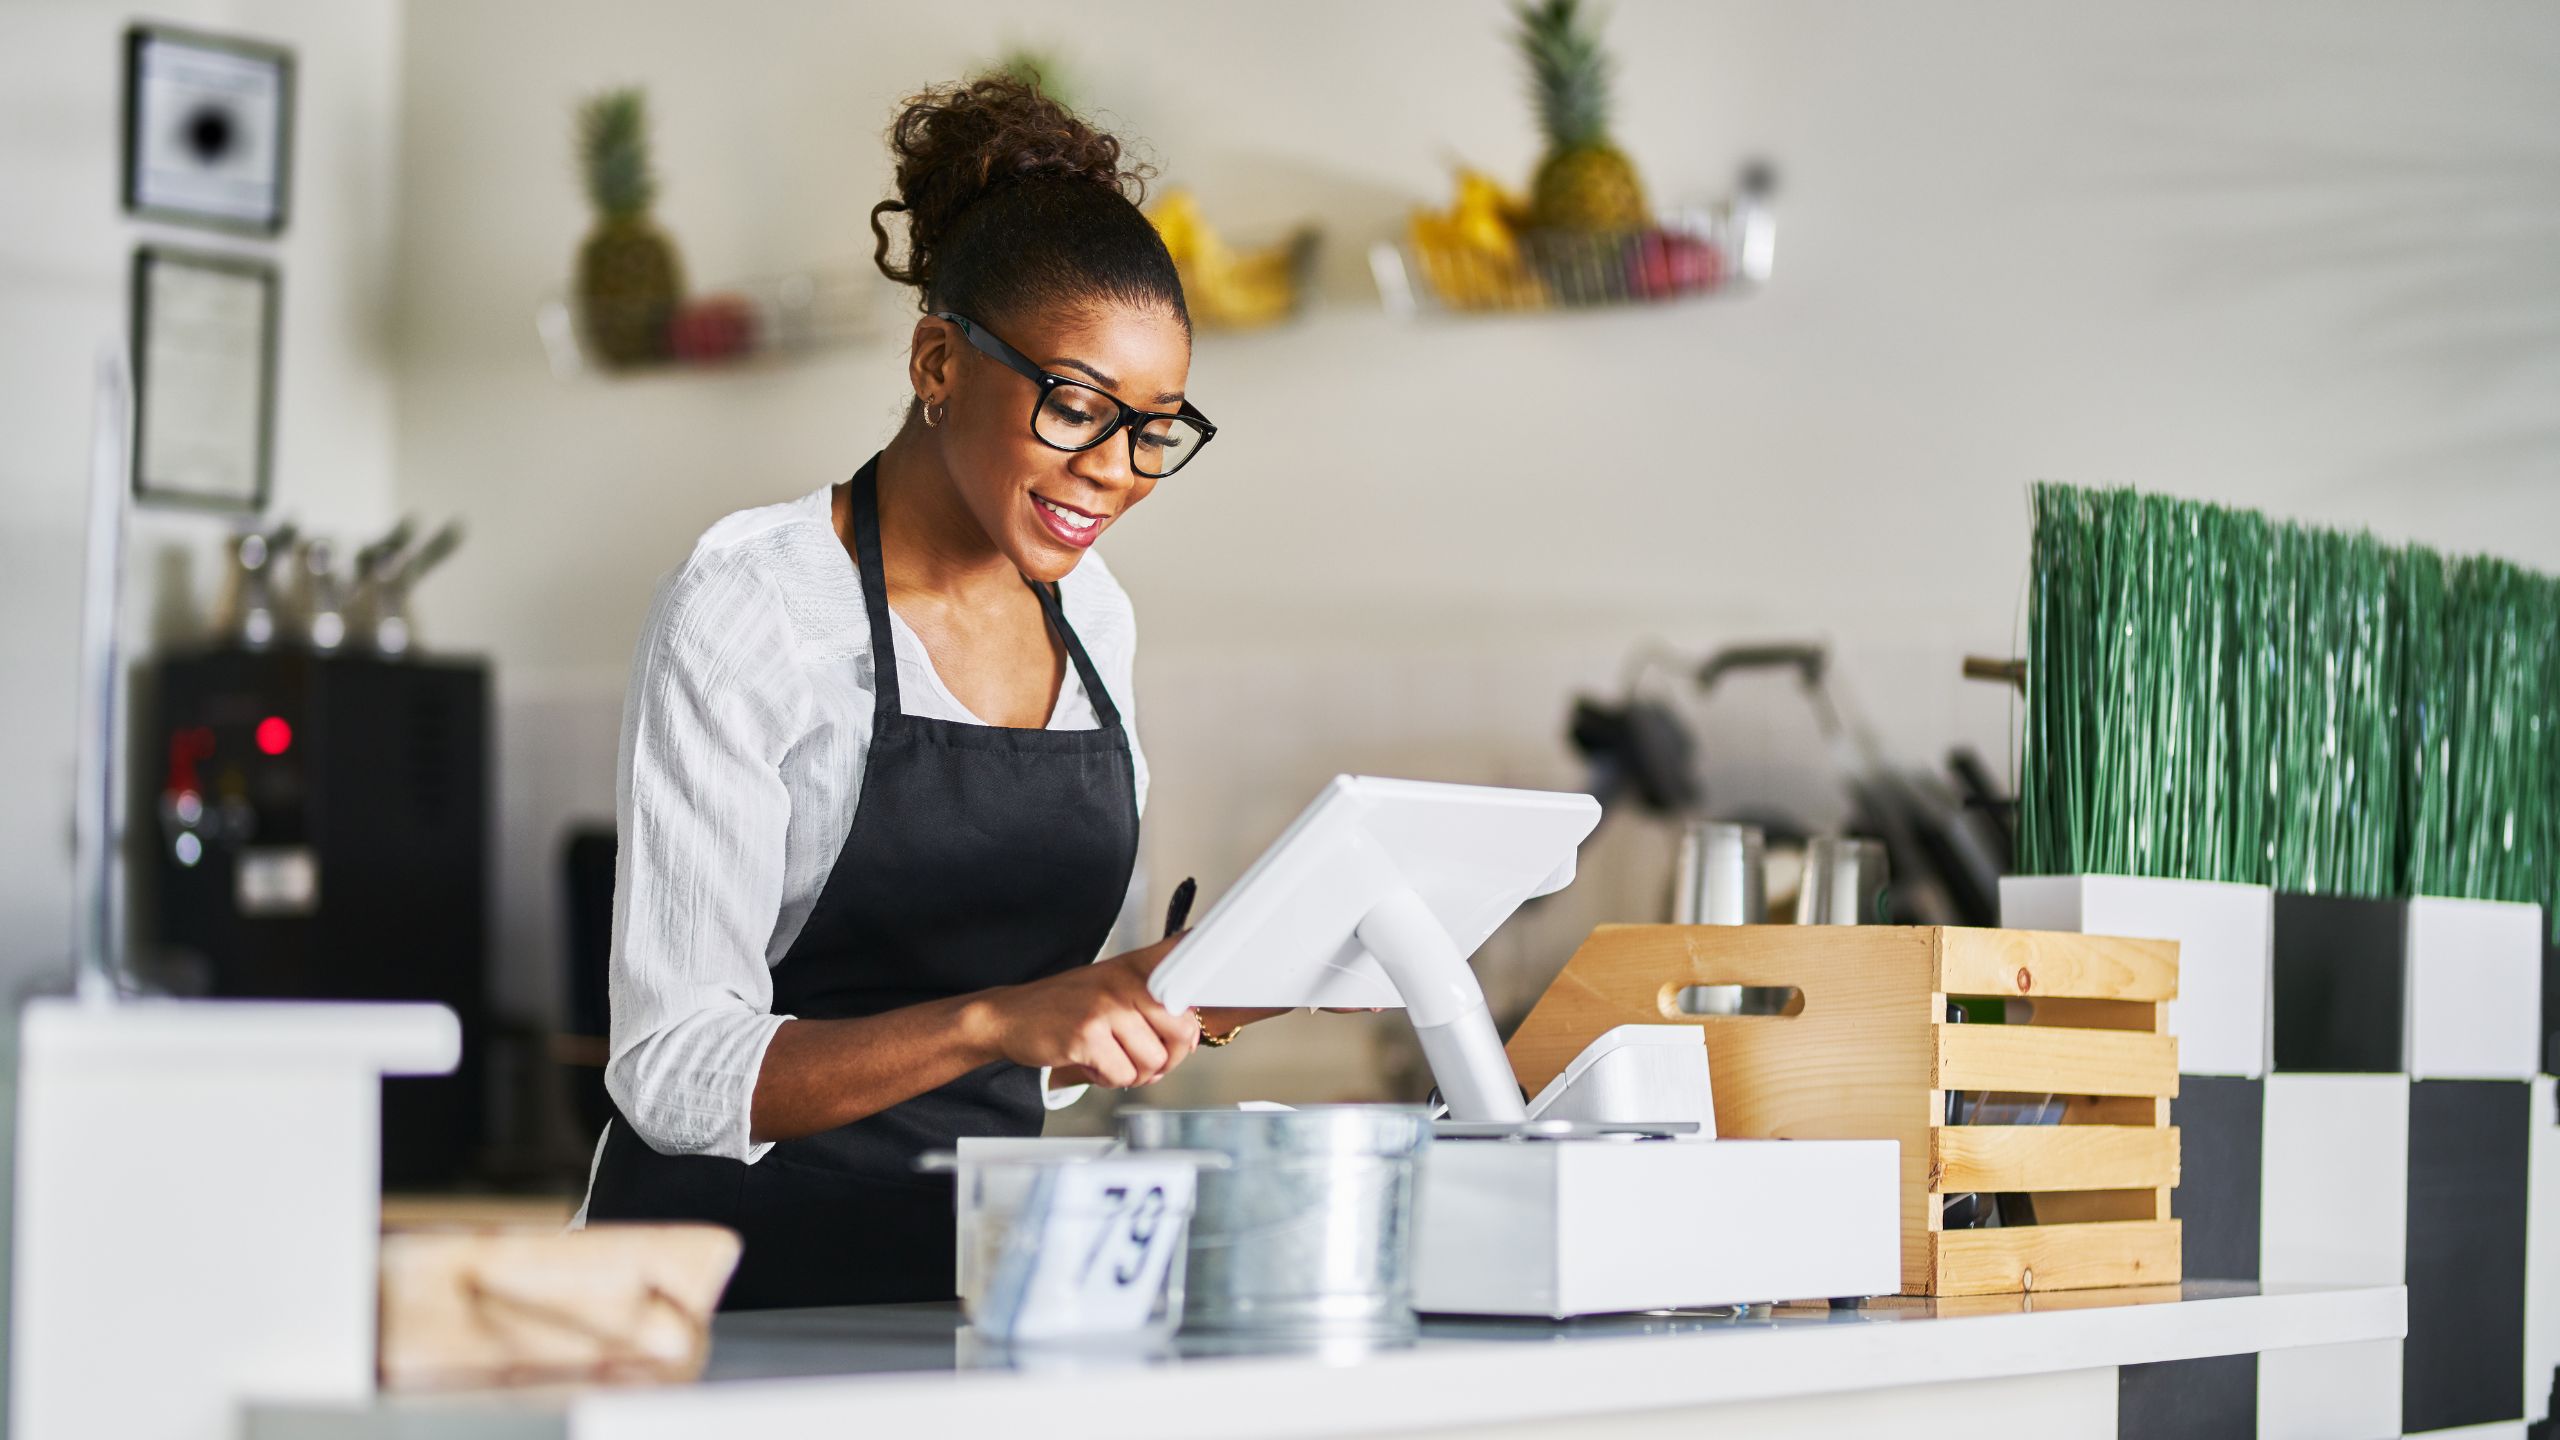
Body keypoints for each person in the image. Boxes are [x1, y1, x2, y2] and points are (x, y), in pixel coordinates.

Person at [580, 76, 1278, 1309]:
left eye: (1156, 429)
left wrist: (1155, 997)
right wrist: (996, 1023)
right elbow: (671, 1070)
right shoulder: (753, 607)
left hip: (976, 1286)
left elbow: (1034, 1047)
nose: (1116, 472)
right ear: (939, 359)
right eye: (1077, 407)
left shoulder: (1094, 616)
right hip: (722, 1300)